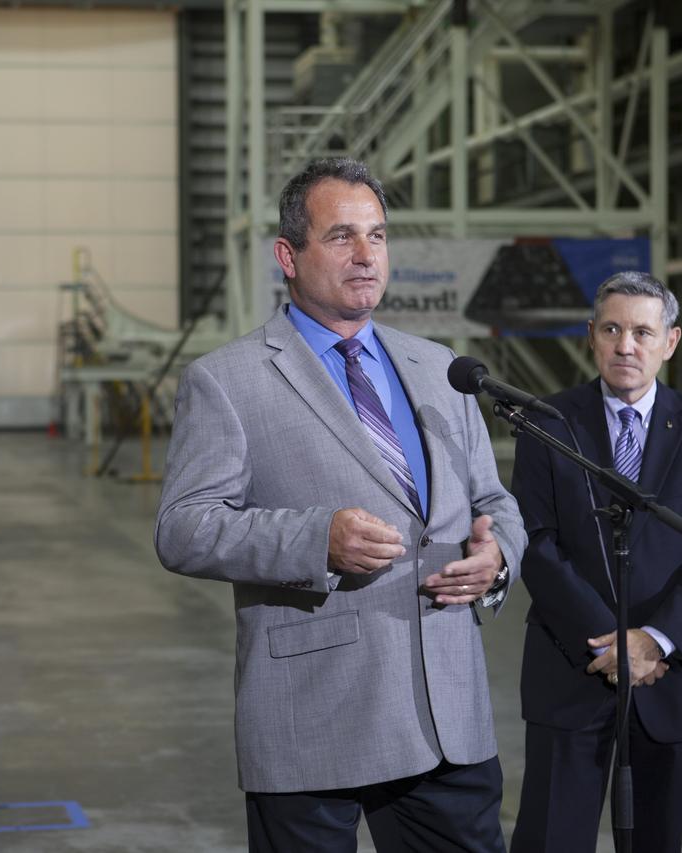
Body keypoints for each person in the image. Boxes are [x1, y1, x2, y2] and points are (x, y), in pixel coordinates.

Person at [155, 158, 526, 852]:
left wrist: (497, 553)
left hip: (447, 711)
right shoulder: (228, 380)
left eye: (378, 236)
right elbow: (182, 527)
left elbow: (493, 498)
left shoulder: (440, 368)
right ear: (287, 256)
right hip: (314, 713)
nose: (366, 256)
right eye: (342, 237)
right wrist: (314, 540)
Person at [508, 271, 682, 852]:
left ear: (670, 341)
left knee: (656, 842)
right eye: (612, 329)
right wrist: (612, 643)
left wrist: (654, 641)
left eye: (643, 331)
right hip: (575, 665)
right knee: (550, 840)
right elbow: (535, 541)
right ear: (591, 336)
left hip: (672, 677)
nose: (626, 345)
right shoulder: (547, 422)